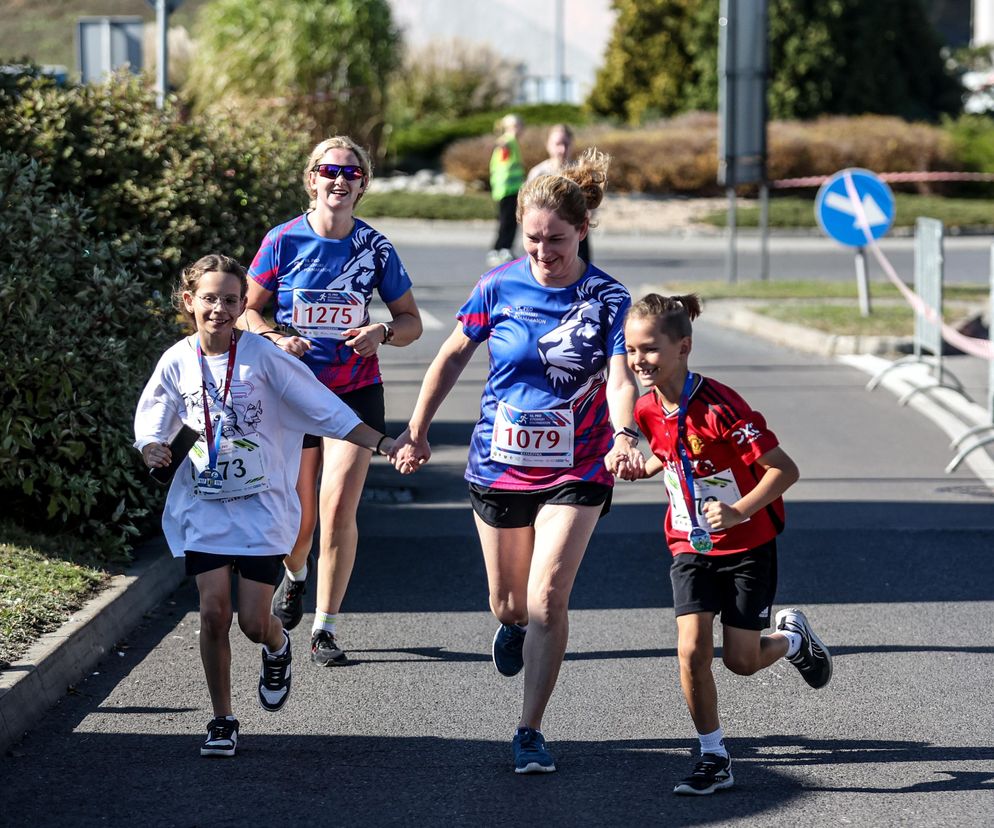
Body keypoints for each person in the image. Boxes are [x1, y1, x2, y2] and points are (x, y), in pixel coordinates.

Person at [391, 149, 644, 774]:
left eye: (555, 239)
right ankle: (509, 625)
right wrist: (417, 429)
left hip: (579, 466)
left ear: (583, 230)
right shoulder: (497, 285)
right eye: (532, 238)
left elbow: (619, 377)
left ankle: (529, 729)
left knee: (548, 600)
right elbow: (451, 355)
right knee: (510, 605)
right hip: (500, 464)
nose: (542, 252)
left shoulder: (608, 297)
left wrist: (624, 432)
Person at [135, 254, 397, 758]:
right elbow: (154, 417)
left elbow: (327, 409)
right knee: (213, 613)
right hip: (205, 504)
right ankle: (222, 720)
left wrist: (383, 444)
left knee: (253, 622)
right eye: (209, 299)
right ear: (189, 302)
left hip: (262, 508)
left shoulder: (265, 357)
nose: (219, 309)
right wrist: (151, 446)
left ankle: (277, 648)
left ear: (242, 304)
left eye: (230, 300)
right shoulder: (177, 359)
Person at [620, 293, 832, 795]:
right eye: (630, 350)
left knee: (741, 661)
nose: (638, 361)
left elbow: (785, 469)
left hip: (747, 545)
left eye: (649, 349)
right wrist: (640, 466)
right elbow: (668, 455)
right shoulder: (647, 407)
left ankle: (793, 639)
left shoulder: (721, 406)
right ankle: (713, 755)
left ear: (684, 346)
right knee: (691, 648)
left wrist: (738, 510)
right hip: (688, 543)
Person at [239, 136, 422, 668]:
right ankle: (296, 573)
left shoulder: (376, 248)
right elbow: (247, 311)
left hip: (354, 391)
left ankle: (325, 628)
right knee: (300, 514)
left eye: (352, 173)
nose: (339, 180)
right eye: (329, 171)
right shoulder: (281, 241)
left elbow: (409, 321)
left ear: (363, 185)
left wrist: (382, 333)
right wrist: (275, 338)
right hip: (293, 392)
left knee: (338, 505)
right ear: (311, 179)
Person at [526, 124, 590, 263]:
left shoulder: (580, 172)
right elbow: (526, 206)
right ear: (548, 145)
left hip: (575, 231)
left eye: (566, 144)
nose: (562, 149)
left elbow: (591, 204)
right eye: (557, 144)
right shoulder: (539, 173)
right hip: (545, 232)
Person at [486, 113, 525, 269]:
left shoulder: (512, 142)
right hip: (507, 189)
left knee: (510, 221)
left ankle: (504, 248)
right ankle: (499, 248)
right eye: (516, 126)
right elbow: (502, 147)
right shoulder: (508, 142)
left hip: (510, 188)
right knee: (506, 221)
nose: (518, 129)